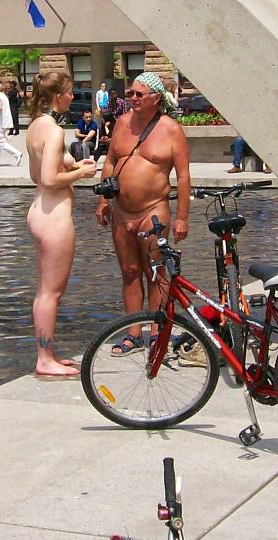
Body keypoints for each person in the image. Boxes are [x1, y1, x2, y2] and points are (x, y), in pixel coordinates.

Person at [95, 72, 190, 356]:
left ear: (156, 98)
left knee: (155, 271)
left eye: (139, 94)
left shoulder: (171, 129)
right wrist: (103, 200)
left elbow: (183, 176)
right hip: (121, 211)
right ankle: (133, 333)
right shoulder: (122, 123)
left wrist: (182, 217)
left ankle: (158, 332)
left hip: (153, 210)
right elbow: (110, 161)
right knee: (129, 271)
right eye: (131, 93)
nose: (132, 98)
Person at [24, 71, 98, 376]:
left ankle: (47, 353)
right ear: (58, 96)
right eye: (70, 91)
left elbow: (37, 173)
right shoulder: (54, 130)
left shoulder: (35, 126)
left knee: (44, 291)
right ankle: (44, 359)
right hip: (54, 218)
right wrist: (81, 173)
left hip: (39, 212)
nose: (73, 96)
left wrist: (75, 164)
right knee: (51, 293)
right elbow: (48, 178)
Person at [0, 81, 23, 166]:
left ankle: (17, 154)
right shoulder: (3, 96)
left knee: (1, 142)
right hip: (3, 121)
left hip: (0, 122)